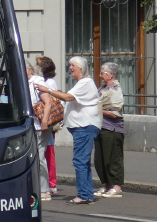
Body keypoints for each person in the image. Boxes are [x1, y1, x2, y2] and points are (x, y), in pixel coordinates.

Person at [40, 56, 102, 204]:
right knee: (83, 161)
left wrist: (47, 90)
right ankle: (86, 193)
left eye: (72, 65)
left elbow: (68, 97)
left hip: (84, 127)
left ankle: (84, 195)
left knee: (80, 161)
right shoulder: (82, 83)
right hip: (83, 127)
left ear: (80, 67)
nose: (70, 68)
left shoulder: (85, 82)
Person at [95, 61, 125, 197]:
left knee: (113, 158)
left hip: (112, 129)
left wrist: (98, 109)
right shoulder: (103, 89)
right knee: (100, 159)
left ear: (111, 74)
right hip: (101, 127)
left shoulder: (115, 90)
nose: (100, 76)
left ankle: (116, 187)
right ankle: (107, 185)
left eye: (102, 73)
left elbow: (115, 113)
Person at [26, 59, 51, 201]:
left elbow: (47, 102)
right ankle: (35, 187)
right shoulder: (25, 83)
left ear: (28, 69)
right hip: (30, 125)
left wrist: (45, 121)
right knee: (33, 156)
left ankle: (45, 189)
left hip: (40, 124)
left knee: (40, 156)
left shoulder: (38, 82)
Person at [36, 56, 61, 195]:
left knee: (48, 152)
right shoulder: (46, 81)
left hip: (48, 120)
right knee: (45, 151)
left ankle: (51, 183)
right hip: (45, 121)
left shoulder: (49, 83)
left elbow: (51, 101)